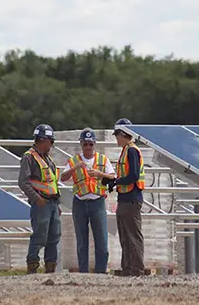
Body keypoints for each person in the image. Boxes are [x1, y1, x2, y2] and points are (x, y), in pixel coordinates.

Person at [60, 128, 115, 274]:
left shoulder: (103, 160)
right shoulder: (74, 160)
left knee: (101, 240)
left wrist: (99, 174)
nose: (88, 147)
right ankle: (83, 272)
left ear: (95, 144)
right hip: (79, 202)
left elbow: (112, 177)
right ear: (81, 144)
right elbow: (63, 177)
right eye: (85, 144)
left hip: (97, 201)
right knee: (81, 240)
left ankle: (101, 271)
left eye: (90, 144)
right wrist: (75, 168)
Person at [17, 123, 61, 274]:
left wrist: (58, 204)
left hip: (53, 203)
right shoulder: (29, 157)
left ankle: (50, 267)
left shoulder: (48, 159)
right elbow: (23, 181)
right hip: (41, 203)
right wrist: (36, 198)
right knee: (39, 235)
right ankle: (33, 265)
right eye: (51, 141)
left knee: (54, 235)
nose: (52, 144)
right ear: (43, 140)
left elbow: (52, 182)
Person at [111, 118, 146, 276]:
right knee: (125, 235)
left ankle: (137, 268)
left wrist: (116, 181)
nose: (116, 138)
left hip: (131, 199)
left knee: (133, 235)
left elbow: (133, 175)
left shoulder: (131, 150)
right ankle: (127, 267)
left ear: (122, 134)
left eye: (117, 135)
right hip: (125, 198)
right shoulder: (126, 150)